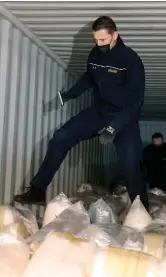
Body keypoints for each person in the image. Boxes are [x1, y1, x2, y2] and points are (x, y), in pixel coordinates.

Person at [14, 16, 149, 211]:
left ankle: (143, 214)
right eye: (95, 39)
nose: (98, 44)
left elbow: (136, 102)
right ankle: (37, 190)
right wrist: (71, 94)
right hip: (99, 111)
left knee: (130, 165)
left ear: (115, 35)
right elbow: (89, 77)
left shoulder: (131, 60)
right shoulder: (95, 54)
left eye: (102, 40)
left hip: (124, 117)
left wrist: (114, 127)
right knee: (61, 137)